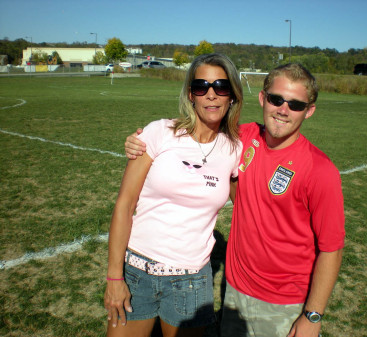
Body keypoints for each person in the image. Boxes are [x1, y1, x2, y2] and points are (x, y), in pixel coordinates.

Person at [124, 63, 345, 337]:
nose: (283, 110)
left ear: (309, 111)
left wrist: (312, 316)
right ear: (263, 99)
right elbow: (200, 131)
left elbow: (332, 249)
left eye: (296, 104)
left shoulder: (321, 170)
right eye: (276, 99)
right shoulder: (243, 137)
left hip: (283, 302)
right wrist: (141, 141)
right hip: (235, 291)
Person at [104, 53, 243, 337]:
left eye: (221, 86)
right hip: (136, 273)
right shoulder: (159, 133)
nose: (212, 95)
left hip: (191, 281)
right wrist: (114, 276)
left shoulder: (234, 149)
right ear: (191, 95)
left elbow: (248, 204)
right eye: (201, 86)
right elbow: (124, 205)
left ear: (233, 96)